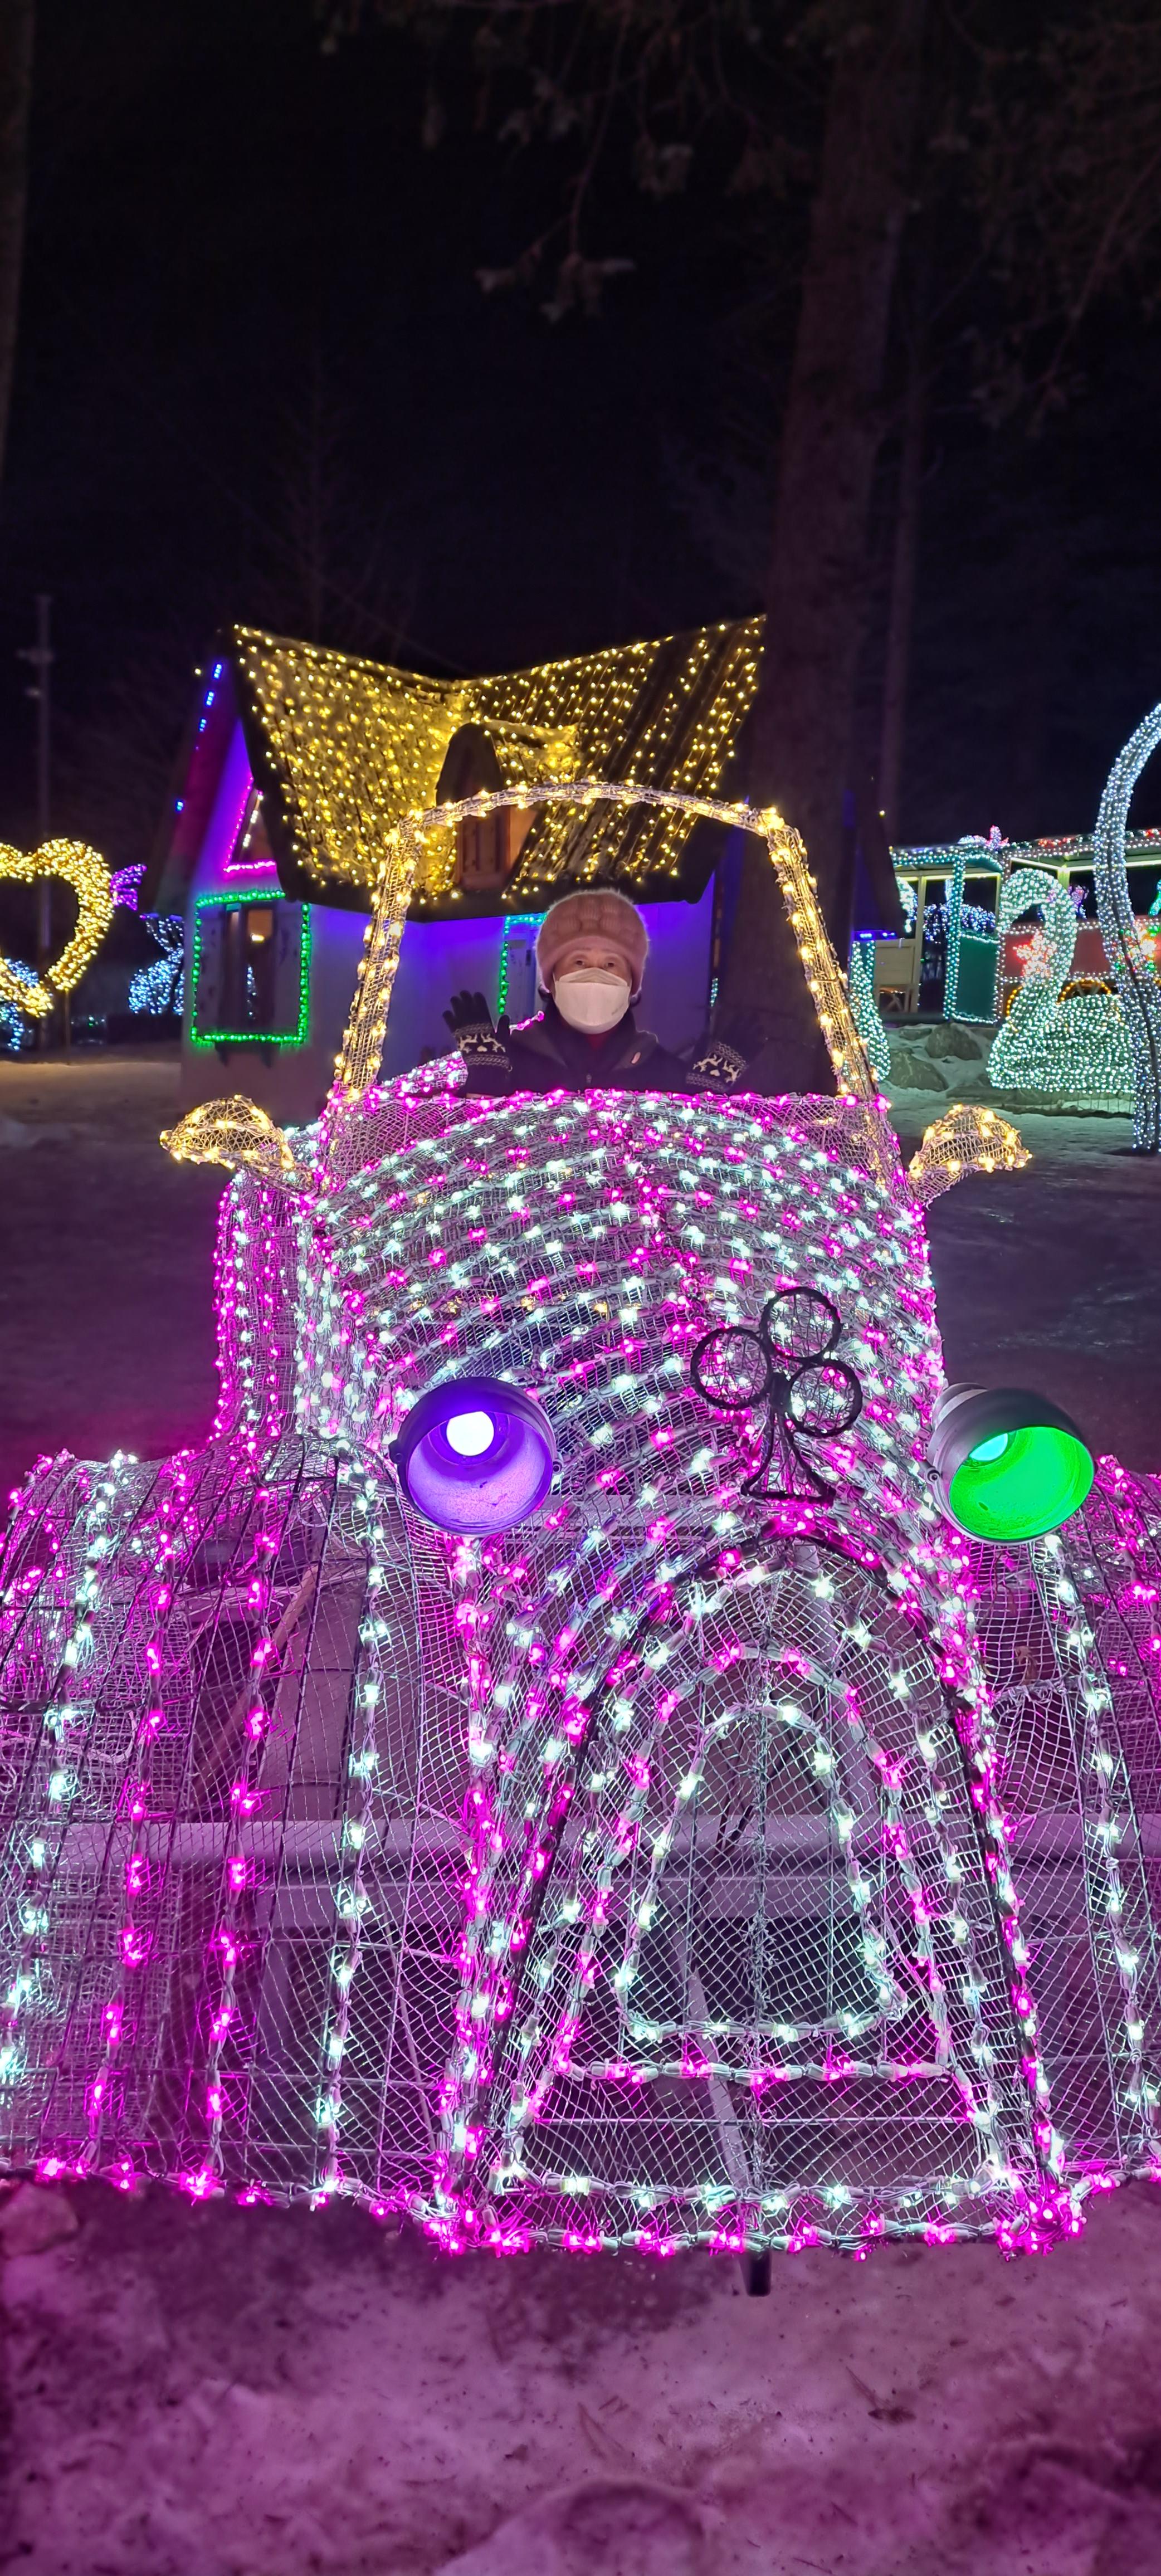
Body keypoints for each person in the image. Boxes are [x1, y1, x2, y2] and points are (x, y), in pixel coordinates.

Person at [445, 888, 745, 1098]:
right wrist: (483, 1088)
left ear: (632, 984)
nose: (595, 974)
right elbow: (472, 1160)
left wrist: (702, 1103)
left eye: (611, 964)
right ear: (551, 979)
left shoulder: (664, 1073)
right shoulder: (508, 1060)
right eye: (579, 962)